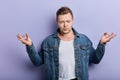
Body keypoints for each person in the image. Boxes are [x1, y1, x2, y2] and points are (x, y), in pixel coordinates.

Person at [17, 6, 116, 80]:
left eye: (68, 21)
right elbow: (37, 62)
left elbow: (96, 59)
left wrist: (102, 44)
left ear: (72, 21)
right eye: (62, 22)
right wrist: (29, 46)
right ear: (57, 22)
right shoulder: (49, 41)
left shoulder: (83, 39)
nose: (65, 25)